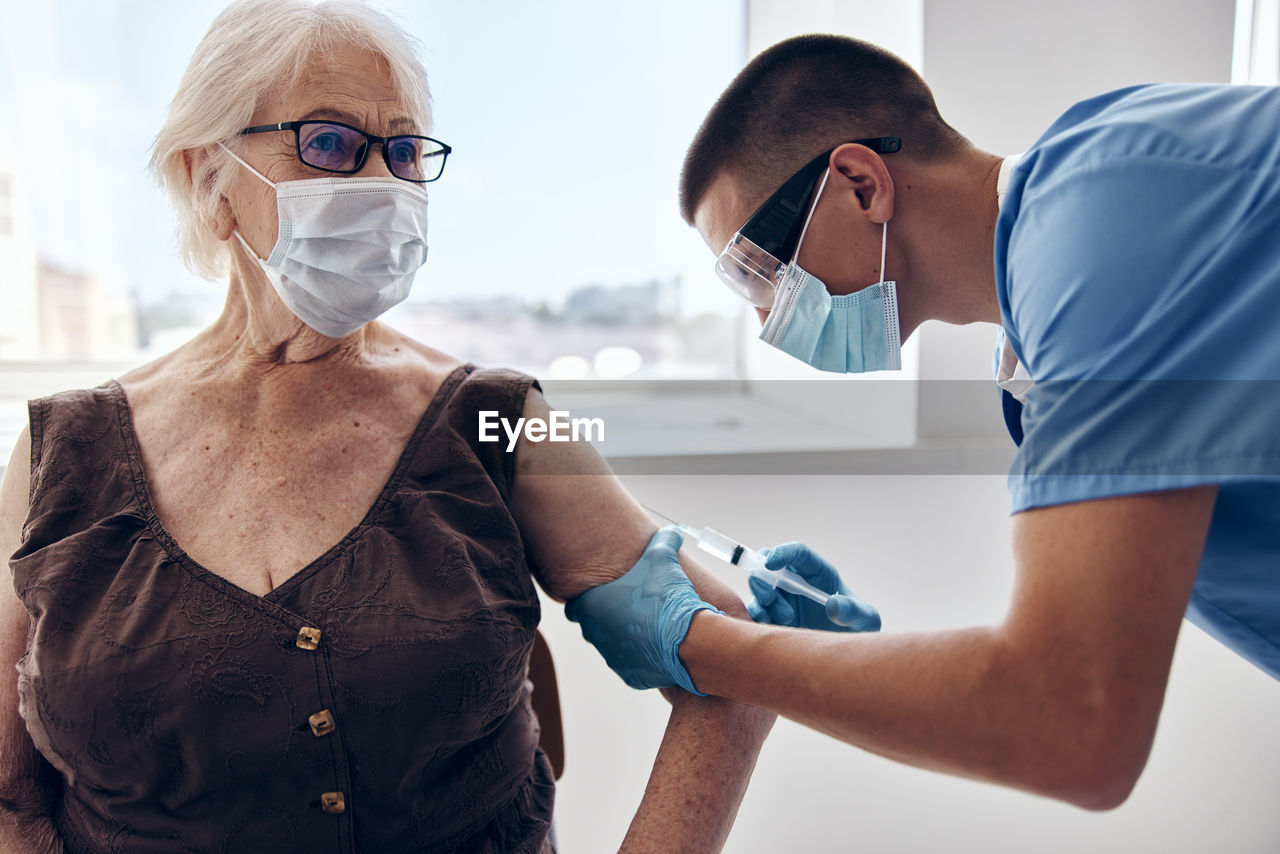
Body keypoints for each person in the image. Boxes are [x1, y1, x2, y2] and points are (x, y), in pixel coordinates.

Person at [0, 2, 773, 851]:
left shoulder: (511, 418)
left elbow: (729, 661)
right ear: (206, 178)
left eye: (403, 152)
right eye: (328, 143)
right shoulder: (54, 456)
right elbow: (8, 793)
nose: (379, 183)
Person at [566, 33, 1280, 811]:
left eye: (761, 274)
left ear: (861, 184)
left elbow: (1071, 725)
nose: (772, 319)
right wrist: (800, 656)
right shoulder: (1042, 339)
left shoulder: (1100, 231)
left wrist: (710, 649)